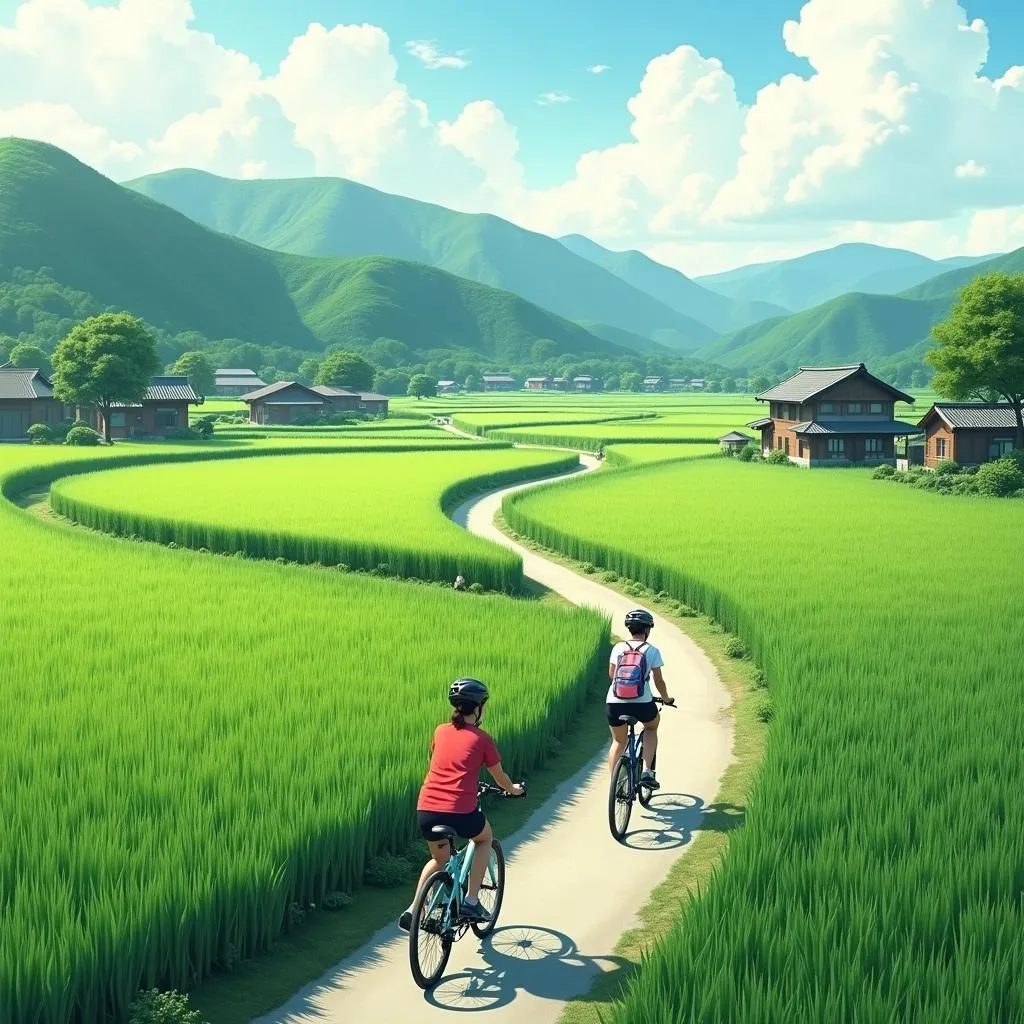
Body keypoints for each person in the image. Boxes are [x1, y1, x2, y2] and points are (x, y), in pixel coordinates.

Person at [400, 678, 524, 931]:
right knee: (483, 838)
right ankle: (471, 900)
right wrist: (513, 790)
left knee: (439, 859)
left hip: (426, 811)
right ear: (478, 708)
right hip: (459, 812)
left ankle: (415, 909)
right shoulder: (482, 739)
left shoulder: (440, 731)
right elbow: (499, 777)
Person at [607, 609, 675, 789]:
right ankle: (647, 772)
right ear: (647, 630)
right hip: (642, 703)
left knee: (619, 741)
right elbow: (658, 681)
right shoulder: (652, 651)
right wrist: (666, 699)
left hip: (614, 703)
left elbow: (612, 675)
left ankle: (615, 784)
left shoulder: (618, 648)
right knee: (651, 727)